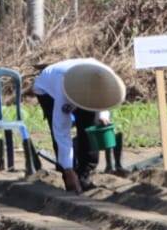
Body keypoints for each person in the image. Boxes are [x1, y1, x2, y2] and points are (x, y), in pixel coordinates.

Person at [32, 59, 126, 194]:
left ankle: (84, 175)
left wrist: (103, 116)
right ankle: (68, 176)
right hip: (47, 90)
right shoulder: (63, 90)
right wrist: (68, 170)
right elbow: (61, 130)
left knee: (89, 126)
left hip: (79, 80)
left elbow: (104, 96)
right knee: (60, 134)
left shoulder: (104, 76)